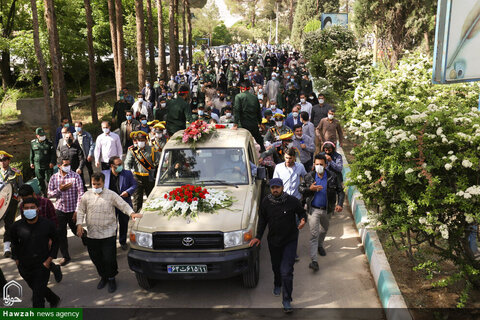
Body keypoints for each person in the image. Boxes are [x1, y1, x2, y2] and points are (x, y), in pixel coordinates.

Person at [76, 173, 143, 293]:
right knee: (96, 258)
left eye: (98, 184)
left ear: (103, 182)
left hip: (108, 233)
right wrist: (79, 224)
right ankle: (103, 277)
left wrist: (131, 213)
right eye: (94, 184)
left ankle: (112, 278)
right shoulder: (86, 195)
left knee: (109, 259)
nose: (96, 186)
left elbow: (122, 205)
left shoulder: (111, 195)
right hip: (92, 234)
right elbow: (80, 210)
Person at [249, 178, 306, 313]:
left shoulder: (292, 201)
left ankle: (287, 300)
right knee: (276, 266)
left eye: (277, 187)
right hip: (274, 241)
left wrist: (303, 219)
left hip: (290, 240)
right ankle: (277, 283)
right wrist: (258, 237)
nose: (275, 190)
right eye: (273, 187)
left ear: (282, 187)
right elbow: (262, 220)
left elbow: (301, 212)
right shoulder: (266, 202)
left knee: (286, 271)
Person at [10, 197, 60, 308]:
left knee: (37, 300)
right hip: (24, 267)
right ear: (22, 210)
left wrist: (49, 260)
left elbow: (56, 242)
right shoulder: (16, 227)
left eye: (32, 207)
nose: (29, 210)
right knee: (38, 289)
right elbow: (14, 243)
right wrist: (17, 259)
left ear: (38, 209)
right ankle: (53, 299)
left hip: (42, 266)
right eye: (26, 208)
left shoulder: (47, 224)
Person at [299, 154, 345, 269]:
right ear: (314, 164)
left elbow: (340, 191)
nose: (319, 166)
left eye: (321, 164)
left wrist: (339, 204)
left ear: (326, 165)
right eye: (317, 164)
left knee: (324, 229)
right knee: (314, 235)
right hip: (313, 210)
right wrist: (310, 189)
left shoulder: (332, 177)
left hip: (327, 210)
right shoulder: (309, 176)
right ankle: (314, 261)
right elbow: (300, 189)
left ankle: (320, 245)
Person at [18, 184, 62, 283]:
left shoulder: (46, 203)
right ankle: (53, 270)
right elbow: (24, 223)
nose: (26, 203)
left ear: (33, 194)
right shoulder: (22, 206)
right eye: (24, 200)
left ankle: (53, 270)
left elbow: (54, 221)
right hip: (33, 237)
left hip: (47, 237)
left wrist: (51, 239)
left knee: (44, 258)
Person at [47, 157, 84, 266]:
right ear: (59, 166)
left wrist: (77, 210)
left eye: (69, 164)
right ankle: (65, 256)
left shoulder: (75, 176)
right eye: (65, 165)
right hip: (60, 210)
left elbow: (81, 194)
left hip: (73, 210)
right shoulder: (54, 178)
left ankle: (86, 238)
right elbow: (49, 193)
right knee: (60, 234)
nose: (68, 167)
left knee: (76, 230)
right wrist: (60, 190)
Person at [102, 157, 137, 250]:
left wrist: (128, 192)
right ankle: (112, 243)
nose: (121, 166)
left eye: (121, 164)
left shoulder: (127, 174)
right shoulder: (104, 174)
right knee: (112, 225)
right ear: (111, 166)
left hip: (124, 203)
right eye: (118, 164)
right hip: (110, 205)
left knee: (124, 223)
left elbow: (134, 185)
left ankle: (123, 241)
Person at [125, 131, 160, 212]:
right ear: (136, 141)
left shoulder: (152, 150)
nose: (141, 142)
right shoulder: (132, 151)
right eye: (139, 140)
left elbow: (158, 162)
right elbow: (127, 163)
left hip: (149, 177)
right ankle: (137, 216)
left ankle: (153, 215)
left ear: (146, 140)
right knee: (137, 199)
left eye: (142, 140)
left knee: (152, 198)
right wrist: (128, 174)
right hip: (137, 177)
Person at [0, 151, 23, 257]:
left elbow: (21, 187)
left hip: (11, 202)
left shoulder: (16, 172)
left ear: (8, 161)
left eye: (4, 160)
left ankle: (7, 248)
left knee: (9, 225)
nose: (2, 162)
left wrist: (19, 196)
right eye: (0, 160)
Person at [233, 81, 265, 152]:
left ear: (241, 88)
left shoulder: (238, 96)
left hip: (243, 124)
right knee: (258, 139)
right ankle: (262, 150)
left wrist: (235, 124)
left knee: (242, 142)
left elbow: (237, 110)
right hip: (253, 124)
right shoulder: (254, 97)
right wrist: (260, 123)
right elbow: (258, 112)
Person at [30, 127, 55, 196]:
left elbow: (53, 154)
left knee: (49, 179)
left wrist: (52, 162)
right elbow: (31, 153)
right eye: (41, 135)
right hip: (38, 165)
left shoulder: (49, 143)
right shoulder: (33, 143)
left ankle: (50, 191)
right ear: (37, 136)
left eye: (43, 135)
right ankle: (43, 193)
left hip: (48, 165)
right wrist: (31, 162)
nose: (43, 136)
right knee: (40, 180)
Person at [74, 121, 95, 186]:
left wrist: (90, 154)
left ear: (82, 126)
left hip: (86, 155)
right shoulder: (73, 135)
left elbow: (92, 145)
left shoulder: (87, 135)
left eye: (79, 126)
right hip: (79, 157)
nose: (77, 128)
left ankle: (92, 183)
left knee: (90, 170)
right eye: (76, 126)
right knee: (80, 171)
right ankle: (82, 184)